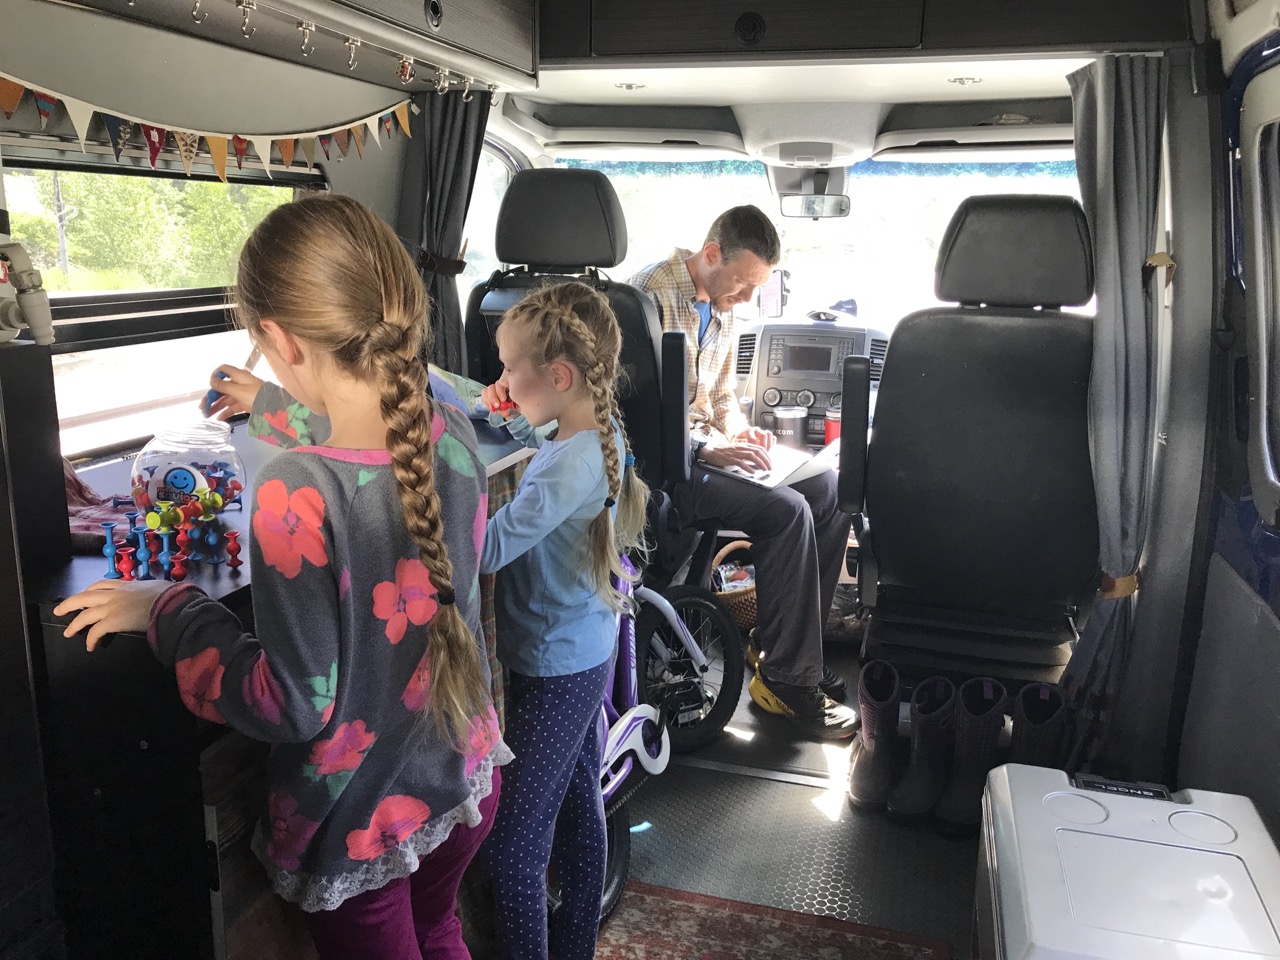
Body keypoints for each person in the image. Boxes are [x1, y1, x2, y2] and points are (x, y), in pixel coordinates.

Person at [54, 195, 511, 960]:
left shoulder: (294, 491)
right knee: (440, 931)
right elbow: (362, 444)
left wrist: (170, 610)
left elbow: (292, 703)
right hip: (462, 770)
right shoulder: (447, 426)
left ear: (280, 339)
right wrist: (268, 401)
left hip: (362, 820)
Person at [628, 205, 858, 740]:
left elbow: (720, 397)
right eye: (743, 283)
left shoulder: (723, 305)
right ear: (712, 255)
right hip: (666, 468)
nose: (748, 299)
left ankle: (788, 648)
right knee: (787, 513)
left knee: (827, 489)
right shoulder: (647, 297)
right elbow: (636, 414)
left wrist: (741, 432)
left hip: (707, 448)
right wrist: (706, 450)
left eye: (758, 288)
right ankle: (787, 681)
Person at [475, 281, 648, 960]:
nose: (500, 379)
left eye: (509, 367)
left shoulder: (570, 465)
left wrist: (428, 509)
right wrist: (516, 412)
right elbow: (546, 446)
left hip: (554, 669)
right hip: (580, 651)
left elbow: (488, 548)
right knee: (578, 806)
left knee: (513, 852)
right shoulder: (588, 432)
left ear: (559, 376)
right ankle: (574, 946)